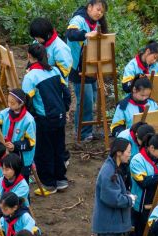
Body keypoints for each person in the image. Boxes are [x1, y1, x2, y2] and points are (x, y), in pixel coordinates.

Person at [22, 43, 71, 194]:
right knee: (59, 147)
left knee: (45, 151)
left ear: (29, 57)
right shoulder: (55, 70)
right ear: (46, 56)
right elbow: (66, 93)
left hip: (44, 119)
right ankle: (61, 180)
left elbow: (26, 101)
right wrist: (65, 109)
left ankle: (49, 184)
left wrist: (32, 118)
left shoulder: (30, 77)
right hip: (60, 116)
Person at [92, 138, 134, 236]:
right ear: (119, 153)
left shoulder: (113, 168)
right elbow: (112, 198)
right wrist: (129, 200)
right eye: (128, 152)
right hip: (108, 223)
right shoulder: (109, 171)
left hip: (112, 223)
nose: (130, 155)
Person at [66, 0, 109, 141]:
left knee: (92, 99)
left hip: (92, 67)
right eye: (97, 9)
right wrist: (85, 34)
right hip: (79, 67)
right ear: (89, 7)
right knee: (85, 100)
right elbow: (71, 33)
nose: (99, 13)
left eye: (102, 11)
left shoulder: (97, 24)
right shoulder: (78, 19)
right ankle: (83, 133)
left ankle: (86, 130)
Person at [0, 89, 36, 181]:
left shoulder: (29, 120)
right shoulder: (5, 113)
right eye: (8, 102)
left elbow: (30, 143)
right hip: (7, 153)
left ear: (21, 103)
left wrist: (15, 146)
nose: (9, 105)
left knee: (21, 182)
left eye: (13, 103)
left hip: (22, 157)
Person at [30, 17, 73, 83]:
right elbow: (32, 59)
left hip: (55, 85)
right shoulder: (37, 43)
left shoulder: (60, 48)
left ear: (46, 35)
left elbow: (64, 71)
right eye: (35, 37)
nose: (36, 39)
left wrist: (43, 74)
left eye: (37, 37)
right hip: (39, 82)